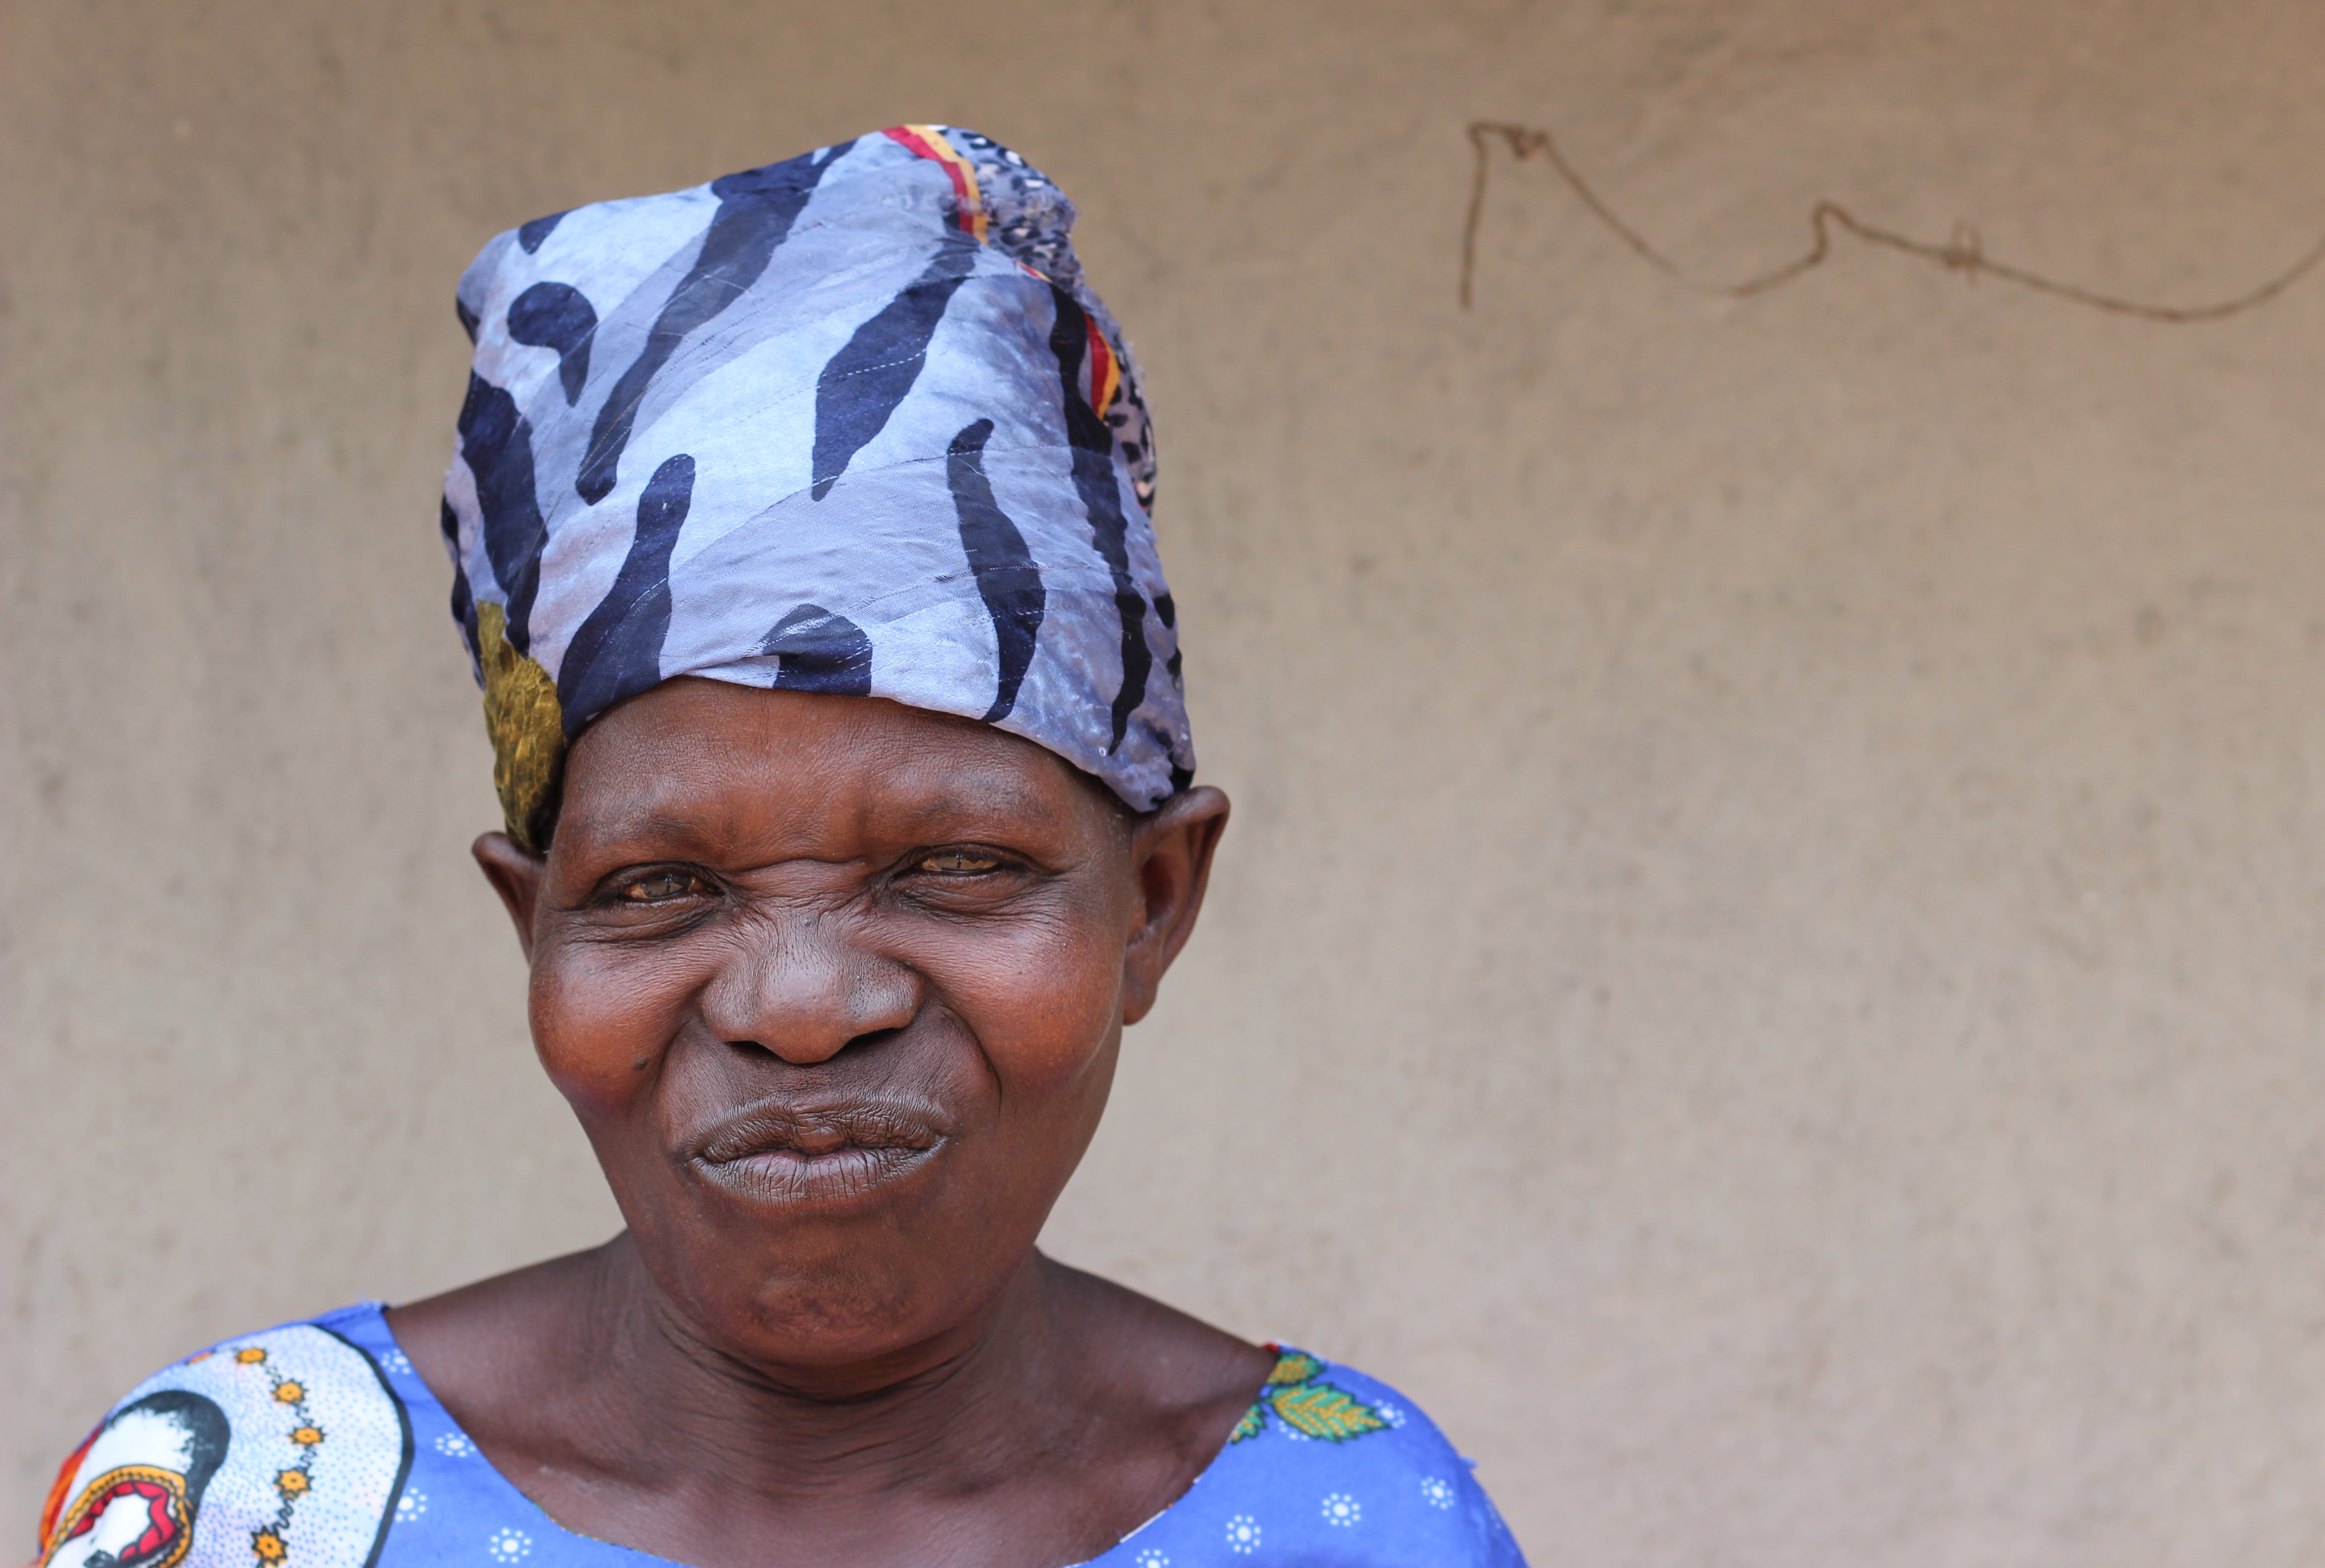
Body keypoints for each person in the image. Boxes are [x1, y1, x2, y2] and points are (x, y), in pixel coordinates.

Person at [38, 126, 1527, 1568]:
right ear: (533, 932)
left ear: (1152, 904)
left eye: (954, 867)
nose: (804, 1011)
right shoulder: (255, 1504)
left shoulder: (1364, 1524)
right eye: (660, 889)